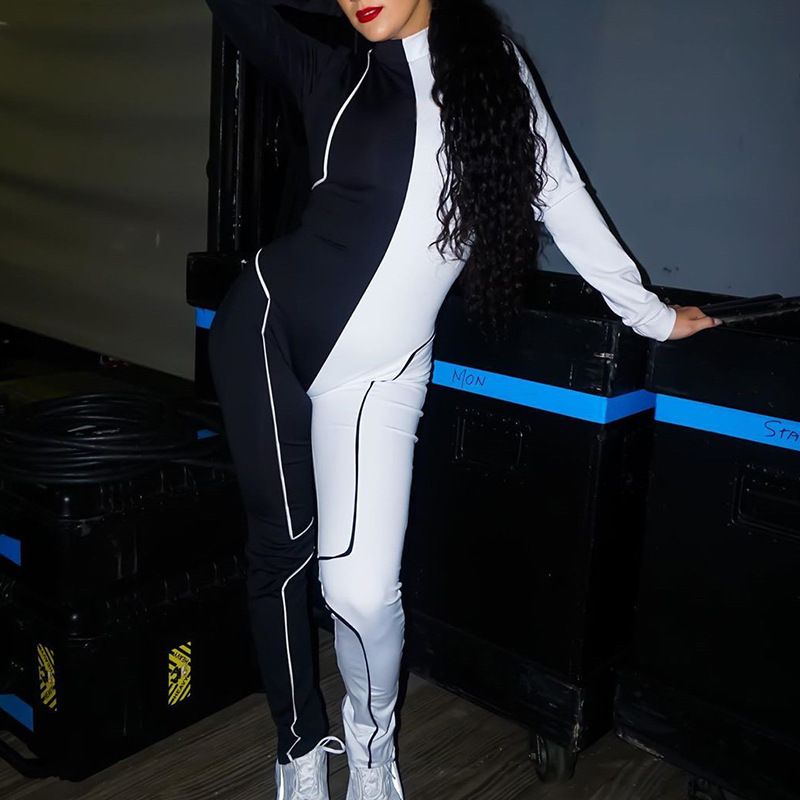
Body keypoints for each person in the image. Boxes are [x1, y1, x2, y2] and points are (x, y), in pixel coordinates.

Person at [203, 1, 722, 798]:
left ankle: (372, 750)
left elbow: (561, 193)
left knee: (360, 591)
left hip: (381, 374)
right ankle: (298, 747)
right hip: (265, 329)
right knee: (282, 551)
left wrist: (649, 315)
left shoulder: (491, 74)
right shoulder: (330, 67)